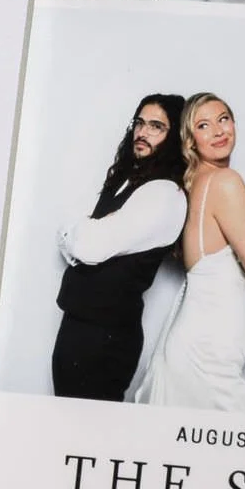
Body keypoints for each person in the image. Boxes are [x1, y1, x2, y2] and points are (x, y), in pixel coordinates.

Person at [140, 95, 245, 412]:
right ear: (190, 140)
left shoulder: (200, 184)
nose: (218, 130)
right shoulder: (224, 182)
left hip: (201, 348)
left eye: (224, 118)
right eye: (204, 125)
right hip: (207, 354)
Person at [50, 94, 189, 400]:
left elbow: (88, 247)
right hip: (79, 326)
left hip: (105, 339)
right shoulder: (130, 180)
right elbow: (74, 235)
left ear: (175, 136)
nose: (142, 132)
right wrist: (81, 232)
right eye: (139, 123)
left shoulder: (164, 193)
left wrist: (82, 231)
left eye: (156, 126)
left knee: (84, 435)